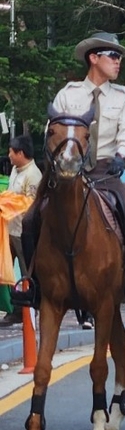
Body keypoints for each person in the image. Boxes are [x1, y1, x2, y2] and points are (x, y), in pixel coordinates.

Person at [23, 32, 125, 305]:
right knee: (30, 219)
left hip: (107, 172)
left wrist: (122, 154)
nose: (119, 62)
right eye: (114, 56)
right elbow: (52, 133)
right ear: (94, 58)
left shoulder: (122, 96)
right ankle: (32, 282)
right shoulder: (67, 95)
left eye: (119, 57)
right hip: (69, 176)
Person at [2, 135, 41, 323]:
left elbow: (30, 205)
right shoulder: (15, 170)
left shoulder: (33, 175)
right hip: (9, 230)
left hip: (23, 234)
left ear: (21, 153)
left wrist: (9, 203)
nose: (8, 155)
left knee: (27, 273)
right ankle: (14, 308)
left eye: (11, 152)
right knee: (6, 271)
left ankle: (29, 311)